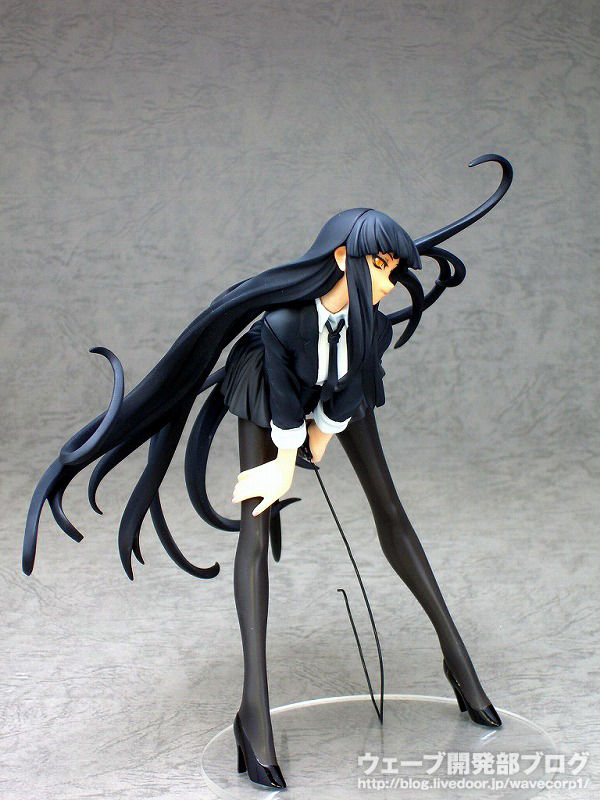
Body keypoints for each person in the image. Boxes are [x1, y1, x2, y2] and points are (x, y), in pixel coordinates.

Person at [23, 156, 513, 790]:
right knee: (255, 529)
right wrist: (284, 461)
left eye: (394, 272)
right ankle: (253, 713)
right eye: (382, 268)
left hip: (335, 396)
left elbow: (351, 387)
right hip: (267, 393)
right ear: (344, 258)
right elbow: (283, 396)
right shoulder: (279, 327)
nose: (391, 284)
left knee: (391, 510)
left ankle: (458, 661)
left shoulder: (370, 329)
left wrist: (322, 437)